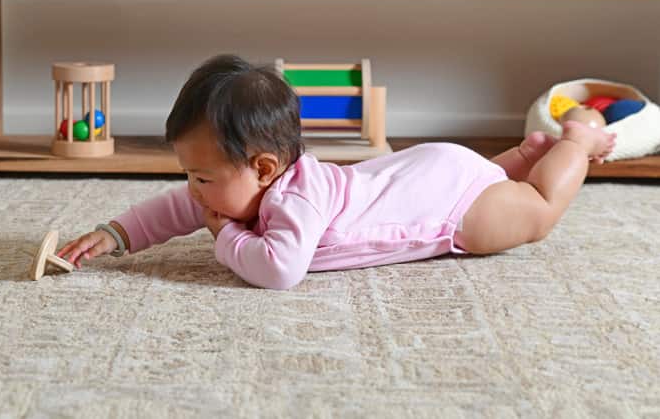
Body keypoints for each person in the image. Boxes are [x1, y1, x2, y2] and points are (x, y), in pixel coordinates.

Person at [58, 55, 616, 290]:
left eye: (201, 177)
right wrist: (116, 234)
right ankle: (522, 155)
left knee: (536, 210)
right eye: (191, 175)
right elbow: (177, 209)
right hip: (430, 170)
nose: (192, 190)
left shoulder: (293, 202)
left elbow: (279, 271)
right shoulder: (241, 184)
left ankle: (573, 143)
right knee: (499, 179)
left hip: (452, 209)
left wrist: (223, 235)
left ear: (264, 168)